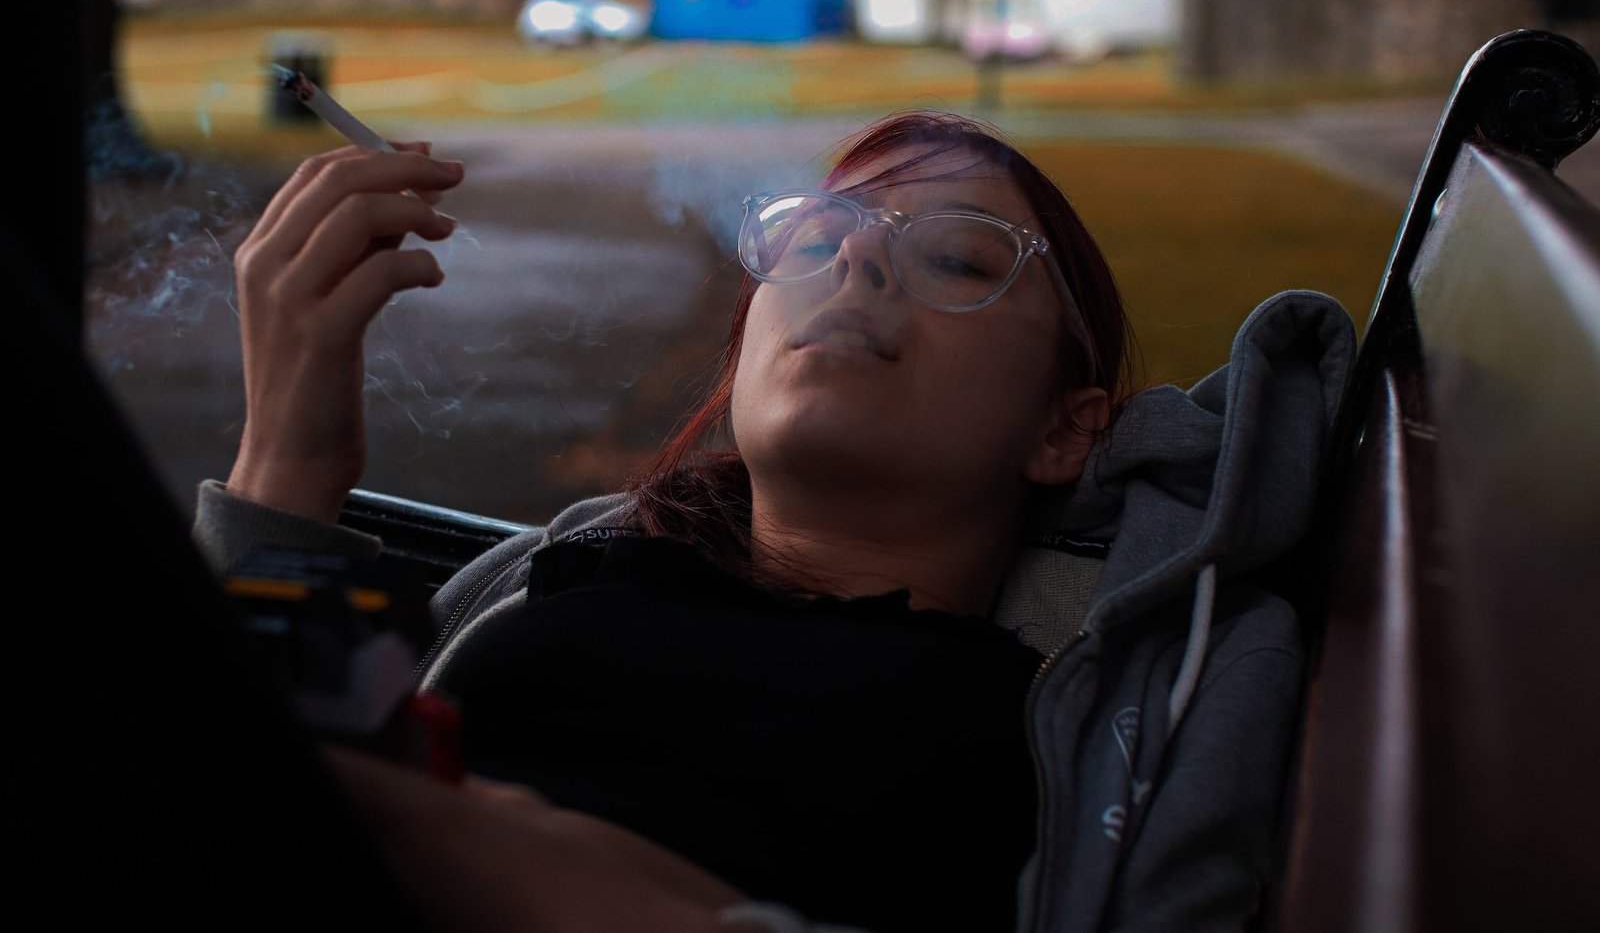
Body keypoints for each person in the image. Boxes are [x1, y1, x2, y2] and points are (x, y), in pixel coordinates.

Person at [193, 111, 1356, 933]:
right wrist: (289, 468)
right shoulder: (564, 569)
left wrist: (459, 842)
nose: (857, 256)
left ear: (1066, 428)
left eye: (959, 257)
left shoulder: (1121, 697)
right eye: (816, 235)